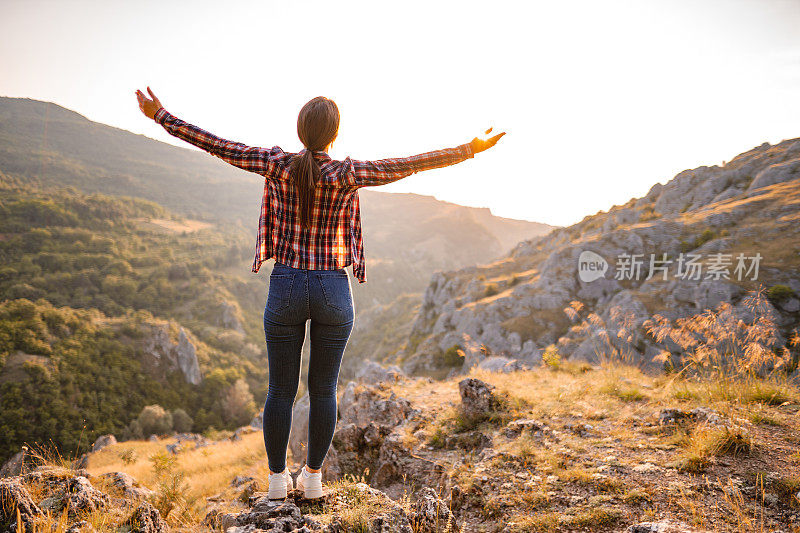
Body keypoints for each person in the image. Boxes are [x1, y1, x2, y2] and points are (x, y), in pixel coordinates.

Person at [135, 86, 505, 499]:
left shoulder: (275, 164)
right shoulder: (346, 174)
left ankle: (277, 481)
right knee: (324, 389)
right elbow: (410, 164)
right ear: (334, 134)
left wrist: (160, 115)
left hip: (286, 284)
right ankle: (312, 479)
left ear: (300, 130)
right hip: (332, 287)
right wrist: (470, 148)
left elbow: (215, 144)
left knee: (279, 390)